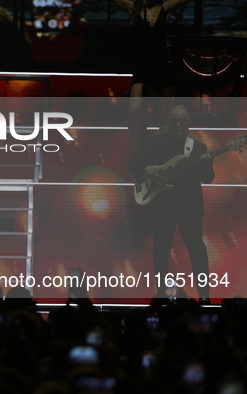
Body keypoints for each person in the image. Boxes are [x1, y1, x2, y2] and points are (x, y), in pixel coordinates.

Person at [131, 105, 213, 304]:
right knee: (161, 250)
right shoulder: (158, 143)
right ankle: (161, 294)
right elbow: (134, 165)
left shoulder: (199, 148)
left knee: (197, 250)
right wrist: (147, 174)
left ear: (188, 124)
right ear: (168, 123)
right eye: (174, 121)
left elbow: (208, 178)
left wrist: (206, 164)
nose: (178, 124)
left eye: (182, 121)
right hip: (163, 207)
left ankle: (204, 297)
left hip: (190, 208)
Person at [110, 0, 193, 157]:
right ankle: (138, 156)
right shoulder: (133, 7)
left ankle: (163, 155)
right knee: (134, 113)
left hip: (163, 65)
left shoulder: (165, 8)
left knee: (164, 115)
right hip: (142, 68)